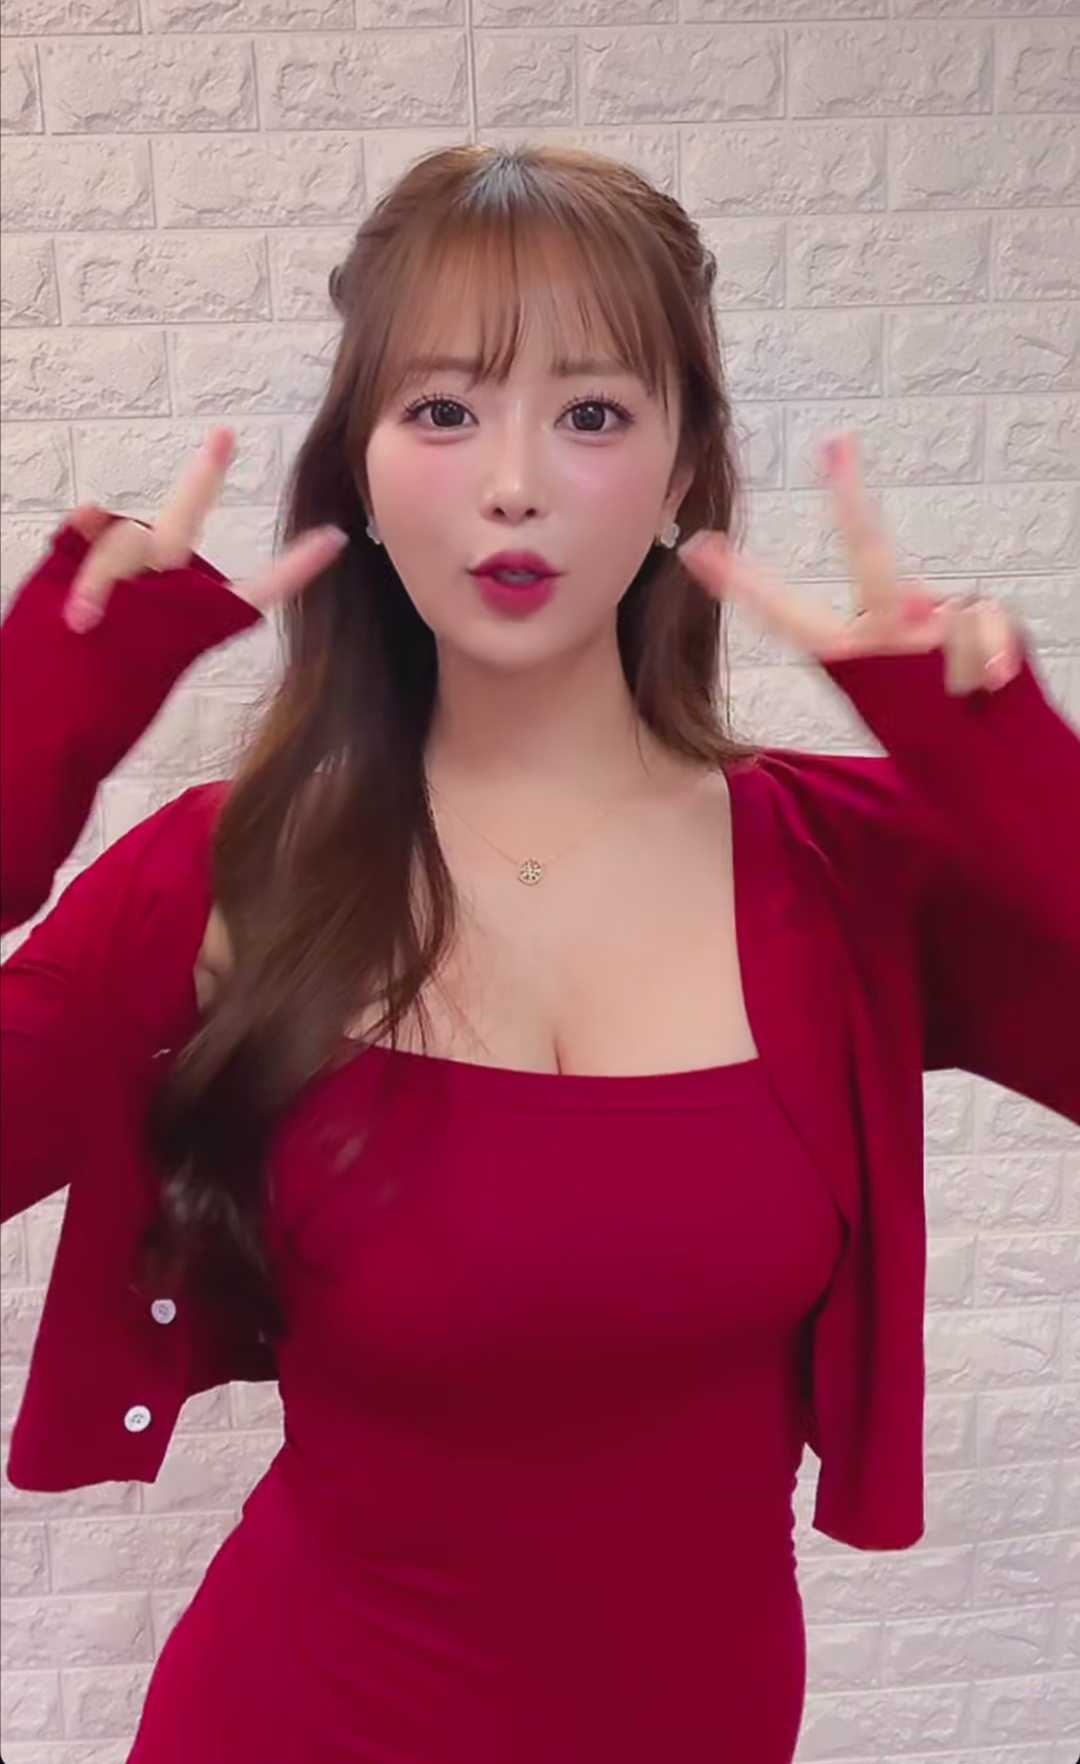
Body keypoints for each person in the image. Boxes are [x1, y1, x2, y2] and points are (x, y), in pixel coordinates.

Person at [2, 143, 1077, 1764]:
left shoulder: (845, 873)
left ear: (685, 469)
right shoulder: (227, 880)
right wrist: (40, 724)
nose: (514, 483)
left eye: (592, 413)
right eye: (443, 409)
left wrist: (993, 759)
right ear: (361, 475)